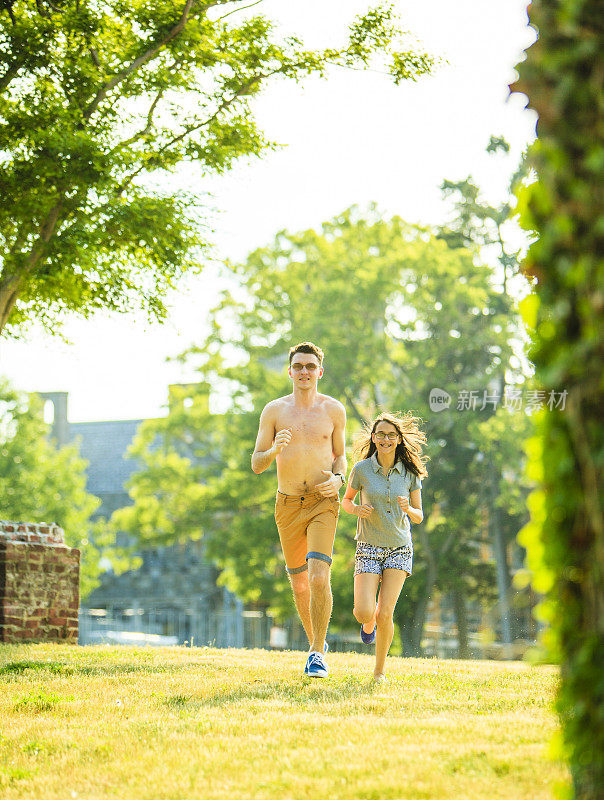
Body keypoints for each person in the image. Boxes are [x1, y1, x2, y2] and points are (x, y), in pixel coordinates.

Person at [251, 342, 347, 678]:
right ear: (289, 371)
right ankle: (316, 642)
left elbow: (340, 456)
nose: (304, 371)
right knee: (301, 584)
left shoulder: (334, 410)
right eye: (298, 366)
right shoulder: (274, 412)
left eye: (310, 366)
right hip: (288, 503)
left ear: (319, 371)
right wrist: (274, 450)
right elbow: (256, 463)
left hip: (324, 501)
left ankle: (316, 653)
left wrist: (339, 478)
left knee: (320, 577)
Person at [341, 411, 428, 682]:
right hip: (368, 545)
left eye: (391, 435)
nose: (386, 439)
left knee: (386, 612)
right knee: (364, 611)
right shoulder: (362, 469)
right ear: (374, 437)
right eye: (381, 434)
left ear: (399, 439)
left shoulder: (410, 473)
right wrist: (356, 509)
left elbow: (419, 515)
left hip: (400, 548)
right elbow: (345, 501)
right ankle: (368, 623)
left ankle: (379, 671)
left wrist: (408, 509)